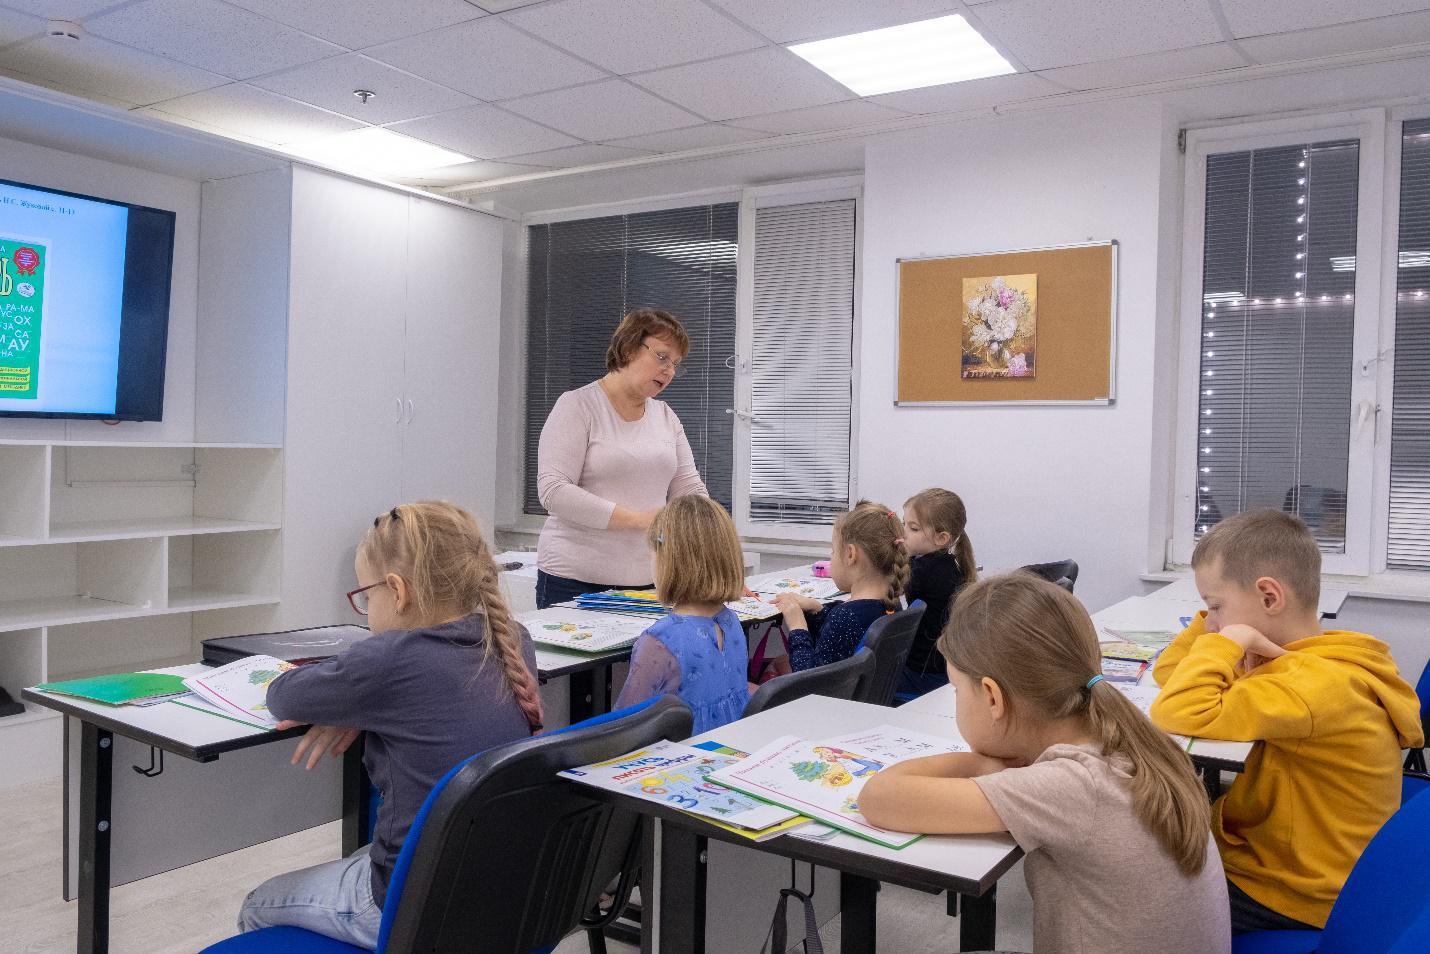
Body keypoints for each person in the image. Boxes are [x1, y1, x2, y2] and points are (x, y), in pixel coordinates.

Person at [860, 573, 1230, 954]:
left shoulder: (1073, 784)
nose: (957, 700)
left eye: (957, 690)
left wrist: (984, 767)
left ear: (992, 697)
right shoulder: (1130, 740)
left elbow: (879, 797)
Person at [236, 502, 542, 947]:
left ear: (397, 590)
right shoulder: (514, 638)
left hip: (413, 902)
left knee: (258, 903)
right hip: (497, 886)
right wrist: (359, 707)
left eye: (366, 595)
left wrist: (350, 703)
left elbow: (283, 695)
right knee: (359, 856)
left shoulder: (390, 660)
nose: (366, 609)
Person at [1150, 509, 1423, 934]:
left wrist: (1230, 637)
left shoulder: (1309, 684)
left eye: (1215, 606)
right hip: (1313, 859)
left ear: (1269, 597)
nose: (1211, 621)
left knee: (1137, 886)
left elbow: (1178, 708)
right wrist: (1217, 625)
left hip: (1298, 889)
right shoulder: (1311, 654)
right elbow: (1170, 675)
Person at [534, 308, 707, 609]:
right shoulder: (577, 406)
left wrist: (713, 541)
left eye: (676, 364)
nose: (669, 371)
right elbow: (553, 490)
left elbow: (689, 489)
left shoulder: (666, 416)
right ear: (628, 348)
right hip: (573, 580)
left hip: (649, 579)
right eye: (662, 357)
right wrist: (639, 521)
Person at [613, 496, 750, 734]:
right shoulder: (732, 623)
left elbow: (625, 725)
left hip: (682, 752)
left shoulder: (659, 640)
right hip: (730, 745)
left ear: (668, 560)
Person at [774, 501, 908, 673]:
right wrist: (818, 610)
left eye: (833, 551)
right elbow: (839, 645)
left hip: (828, 691)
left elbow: (808, 676)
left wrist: (797, 626)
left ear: (850, 554)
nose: (831, 557)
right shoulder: (891, 603)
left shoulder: (846, 616)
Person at [897, 487, 977, 697]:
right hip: (943, 669)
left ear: (942, 538)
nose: (903, 533)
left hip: (924, 675)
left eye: (913, 528)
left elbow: (892, 587)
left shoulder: (923, 571)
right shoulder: (948, 563)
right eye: (904, 524)